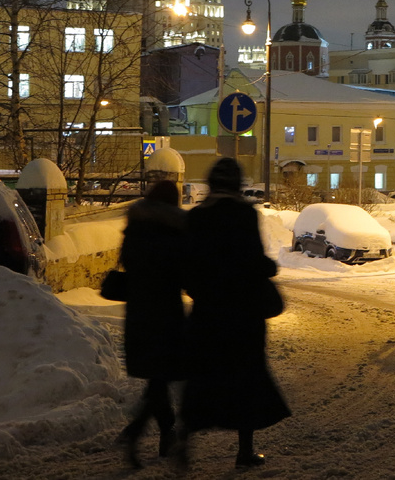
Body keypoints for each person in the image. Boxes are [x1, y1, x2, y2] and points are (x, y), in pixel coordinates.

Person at [180, 158, 289, 468]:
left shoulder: (197, 217)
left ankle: (185, 439)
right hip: (243, 316)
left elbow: (188, 268)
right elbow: (255, 263)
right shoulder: (244, 215)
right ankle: (244, 450)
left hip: (208, 316)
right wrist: (268, 267)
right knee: (246, 380)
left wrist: (201, 292)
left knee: (202, 377)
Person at [116, 179, 187, 469]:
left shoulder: (136, 223)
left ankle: (163, 434)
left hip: (139, 313)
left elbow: (125, 262)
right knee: (167, 374)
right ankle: (149, 432)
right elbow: (183, 271)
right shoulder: (175, 228)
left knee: (156, 377)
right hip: (167, 311)